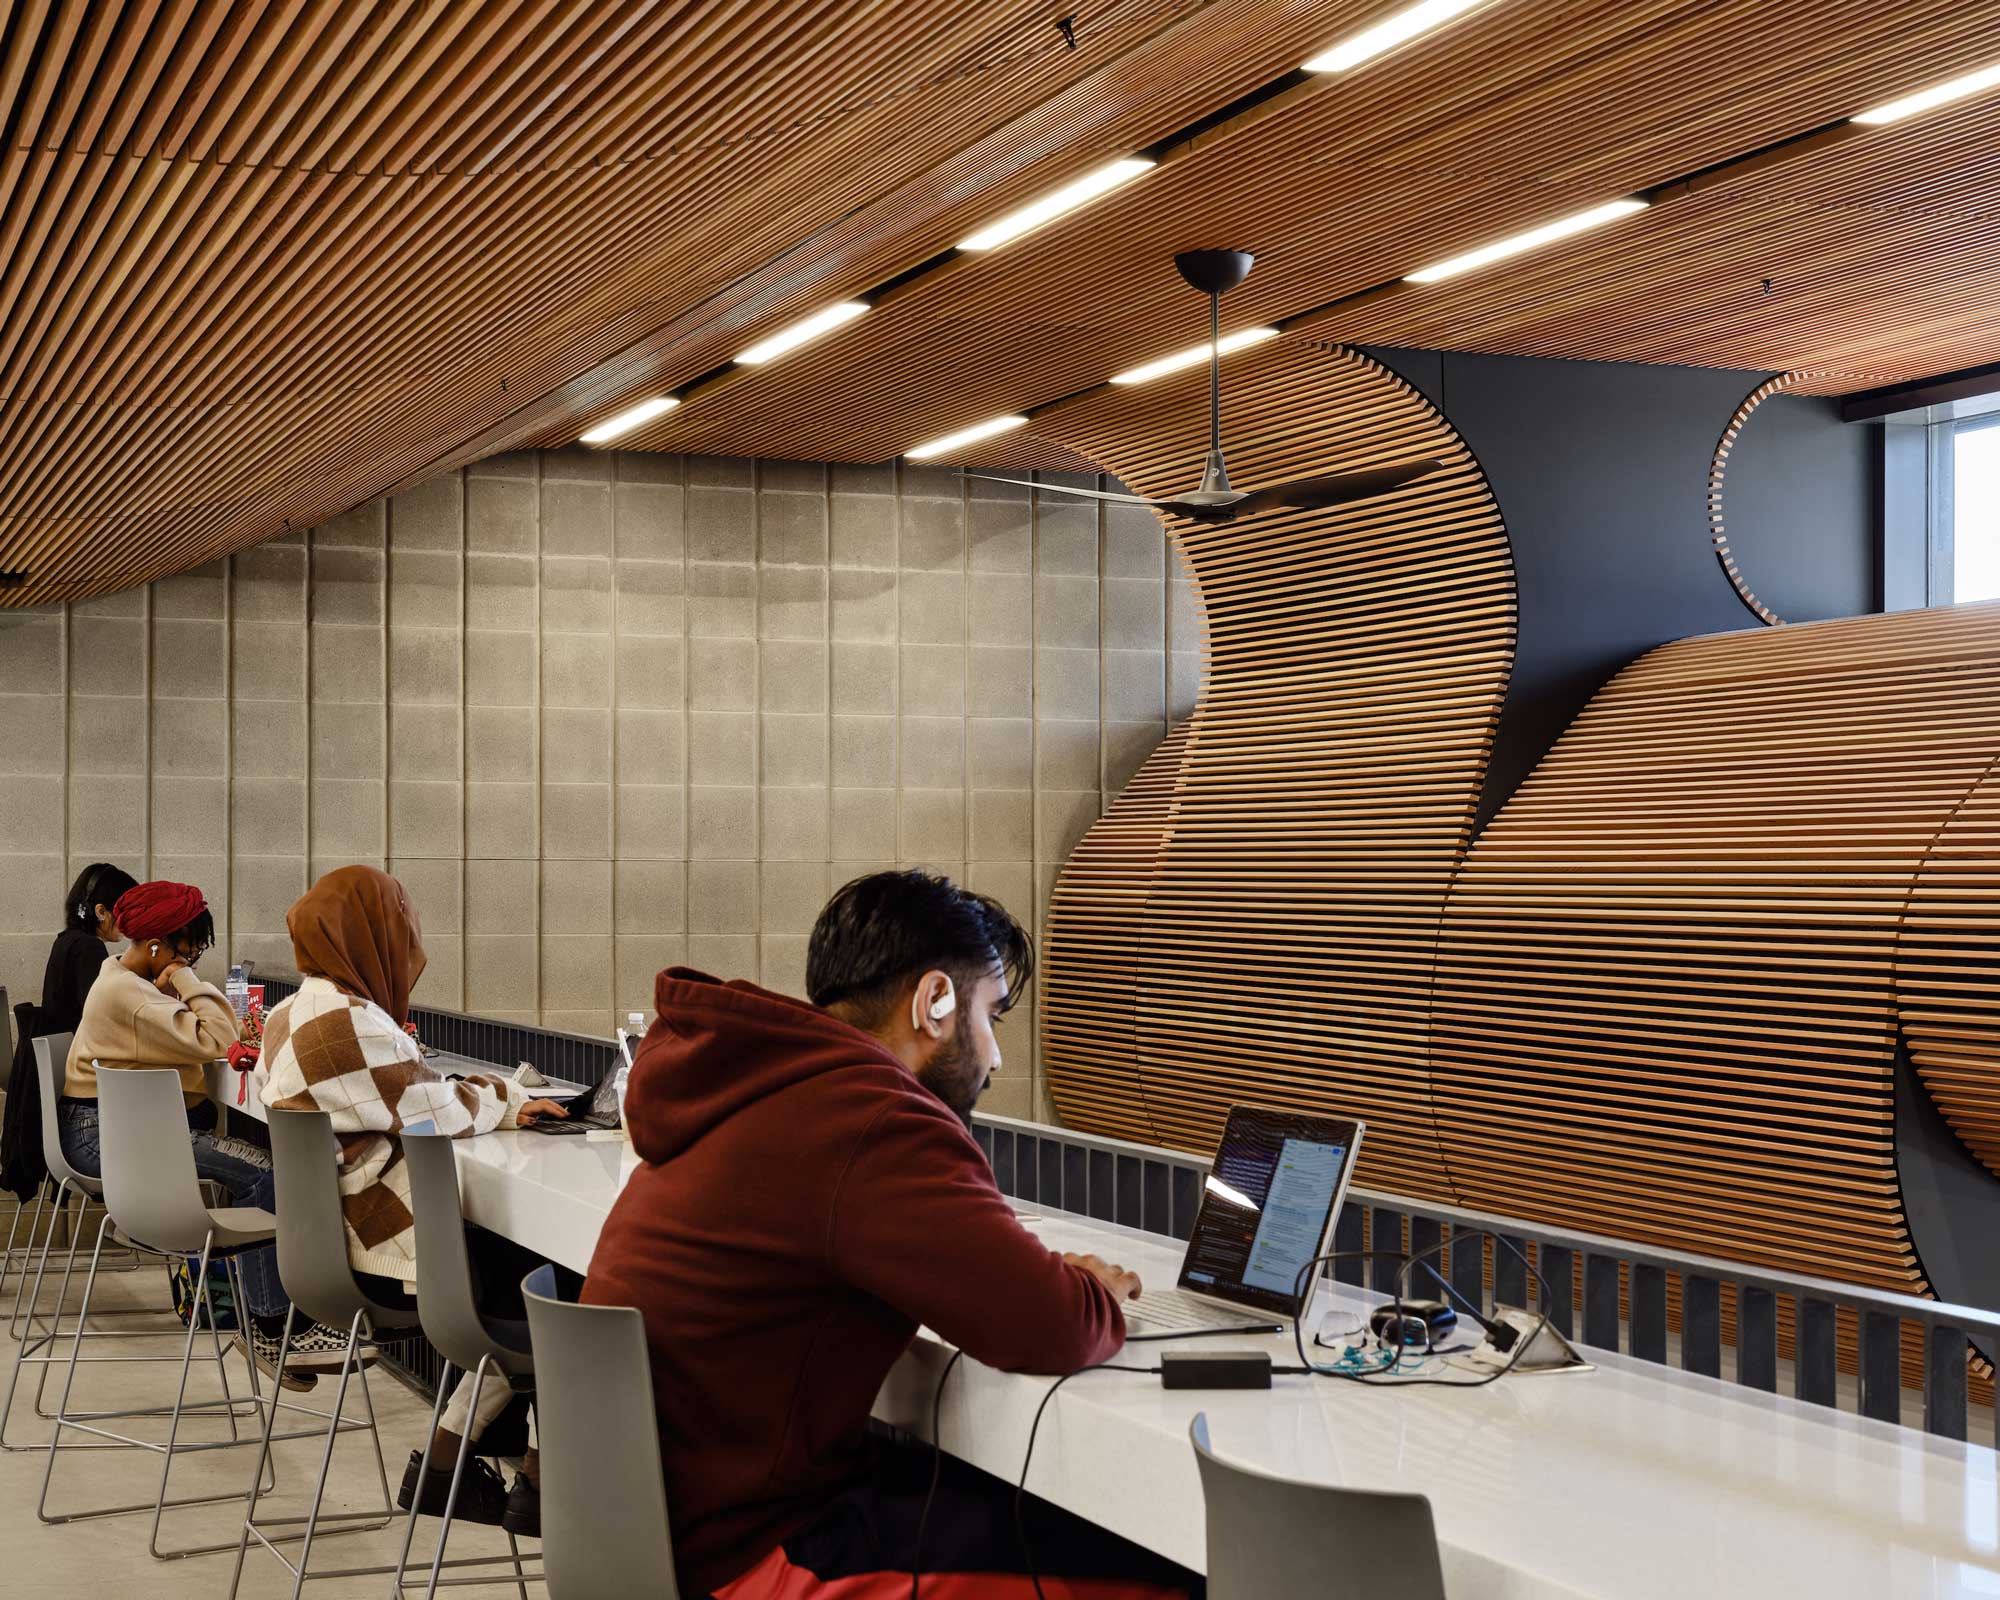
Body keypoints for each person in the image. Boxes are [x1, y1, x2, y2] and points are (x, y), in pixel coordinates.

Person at [585, 870, 1193, 1600]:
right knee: (1177, 1569)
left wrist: (1015, 1269)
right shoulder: (871, 1115)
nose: (996, 1057)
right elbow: (1052, 1325)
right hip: (753, 1560)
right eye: (991, 1017)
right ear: (934, 1000)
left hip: (657, 1534)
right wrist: (1090, 1290)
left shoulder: (766, 1085)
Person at [257, 865, 570, 1533]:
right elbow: (434, 1107)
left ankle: (455, 1469)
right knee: (558, 1289)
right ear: (365, 935)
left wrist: (489, 1099)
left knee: (523, 1290)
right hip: (382, 1248)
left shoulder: (291, 1012)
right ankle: (541, 1480)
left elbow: (409, 1096)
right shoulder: (340, 1020)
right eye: (399, 927)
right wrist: (512, 1100)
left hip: (339, 1239)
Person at [60, 880, 331, 1389]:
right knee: (268, 1173)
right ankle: (272, 1328)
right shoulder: (134, 996)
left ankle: (269, 1317)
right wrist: (185, 980)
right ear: (159, 944)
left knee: (256, 1167)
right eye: (189, 946)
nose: (194, 955)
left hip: (117, 1130)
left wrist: (177, 984)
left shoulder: (125, 983)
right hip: (114, 1140)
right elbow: (222, 1039)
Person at [0, 862, 138, 1201]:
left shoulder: (66, 943)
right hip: (81, 1104)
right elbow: (103, 1021)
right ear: (101, 911)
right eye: (125, 911)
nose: (130, 922)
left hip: (55, 1103)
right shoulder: (89, 950)